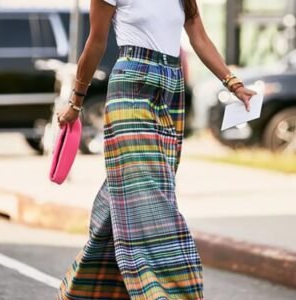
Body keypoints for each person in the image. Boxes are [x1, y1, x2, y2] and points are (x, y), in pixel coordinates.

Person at [56, 0, 256, 299]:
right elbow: (95, 42)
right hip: (131, 85)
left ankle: (89, 289)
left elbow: (198, 36)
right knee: (147, 189)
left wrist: (233, 83)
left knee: (137, 188)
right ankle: (169, 290)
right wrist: (75, 102)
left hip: (170, 88)